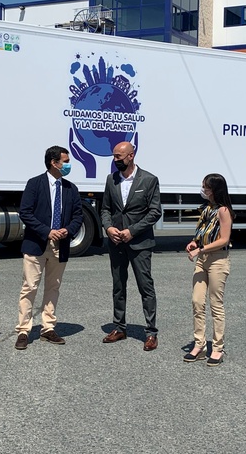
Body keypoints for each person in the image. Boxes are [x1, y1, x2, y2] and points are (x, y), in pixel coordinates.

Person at [15, 146, 83, 350]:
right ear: (54, 163)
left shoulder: (71, 188)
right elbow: (25, 213)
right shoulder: (35, 184)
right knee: (29, 287)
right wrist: (47, 231)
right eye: (65, 161)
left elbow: (78, 216)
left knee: (53, 287)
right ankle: (24, 330)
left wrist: (66, 230)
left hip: (59, 245)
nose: (68, 164)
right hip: (36, 244)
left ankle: (48, 328)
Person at [101, 141, 162, 351]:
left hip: (140, 243)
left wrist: (132, 231)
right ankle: (119, 327)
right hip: (116, 242)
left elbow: (155, 212)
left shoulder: (149, 180)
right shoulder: (111, 180)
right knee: (118, 286)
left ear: (131, 155)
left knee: (146, 287)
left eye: (119, 156)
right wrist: (109, 228)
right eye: (114, 156)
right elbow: (105, 209)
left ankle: (151, 332)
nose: (115, 160)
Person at [184, 173, 234, 367]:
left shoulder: (223, 210)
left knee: (216, 304)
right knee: (197, 301)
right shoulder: (207, 209)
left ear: (215, 190)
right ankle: (199, 345)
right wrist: (194, 242)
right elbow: (202, 232)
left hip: (217, 261)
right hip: (202, 259)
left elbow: (224, 239)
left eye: (206, 187)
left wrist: (201, 250)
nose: (203, 189)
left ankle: (218, 348)